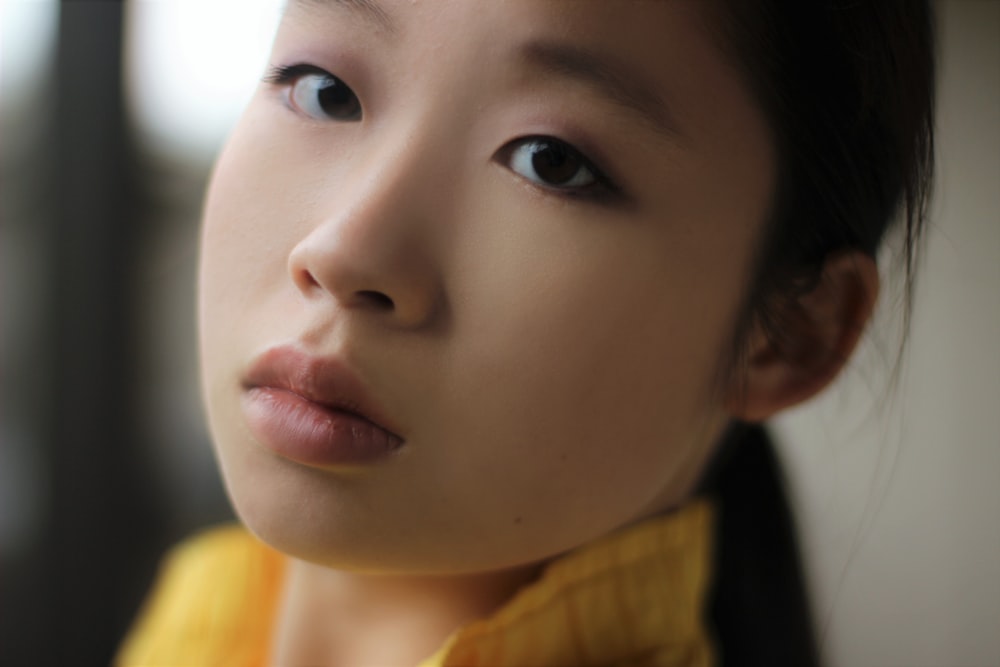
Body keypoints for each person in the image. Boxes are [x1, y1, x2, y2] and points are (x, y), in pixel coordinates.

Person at [117, 0, 935, 665]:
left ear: (787, 334)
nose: (341, 250)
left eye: (552, 161)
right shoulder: (204, 618)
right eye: (323, 87)